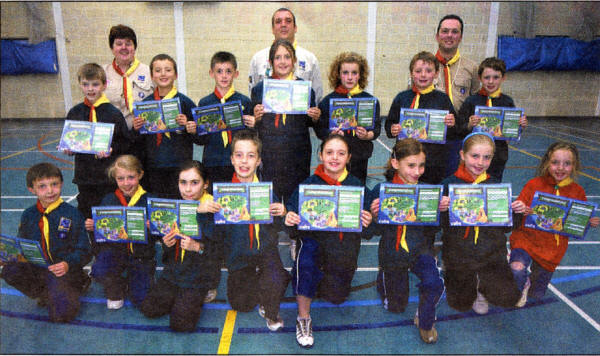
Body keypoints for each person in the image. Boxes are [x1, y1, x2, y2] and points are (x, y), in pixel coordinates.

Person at [285, 134, 373, 348]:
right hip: (314, 244)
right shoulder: (308, 185)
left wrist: (369, 221)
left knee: (336, 297)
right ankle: (303, 318)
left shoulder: (357, 187)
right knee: (306, 263)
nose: (335, 158)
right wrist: (289, 218)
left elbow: (370, 232)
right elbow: (290, 219)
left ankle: (317, 276)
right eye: (329, 152)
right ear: (320, 155)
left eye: (341, 153)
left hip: (342, 250)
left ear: (349, 157)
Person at [366, 138, 447, 344]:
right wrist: (375, 216)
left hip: (420, 249)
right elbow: (372, 231)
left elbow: (435, 228)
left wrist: (439, 212)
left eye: (421, 165)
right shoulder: (381, 191)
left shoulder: (428, 192)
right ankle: (383, 277)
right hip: (392, 253)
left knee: (434, 283)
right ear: (395, 164)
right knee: (395, 307)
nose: (417, 171)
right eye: (411, 165)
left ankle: (426, 320)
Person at [439, 132, 526, 314]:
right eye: (475, 156)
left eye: (486, 158)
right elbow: (440, 225)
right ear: (462, 155)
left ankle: (501, 281)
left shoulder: (495, 186)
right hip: (459, 252)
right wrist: (441, 210)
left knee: (508, 299)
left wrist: (516, 212)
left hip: (490, 253)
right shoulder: (448, 184)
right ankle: (466, 279)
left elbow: (506, 227)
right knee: (459, 304)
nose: (480, 163)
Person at [213, 129, 291, 331]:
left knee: (275, 278)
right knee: (241, 304)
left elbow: (280, 226)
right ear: (231, 159)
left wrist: (282, 213)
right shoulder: (222, 194)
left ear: (258, 161)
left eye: (250, 156)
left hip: (265, 251)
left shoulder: (266, 190)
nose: (244, 162)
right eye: (239, 155)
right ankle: (264, 280)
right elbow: (214, 235)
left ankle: (273, 288)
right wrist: (207, 211)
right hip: (239, 256)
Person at [509, 142, 599, 306]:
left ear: (574, 166)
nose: (560, 168)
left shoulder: (578, 191)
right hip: (526, 239)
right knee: (516, 268)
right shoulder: (533, 185)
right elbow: (516, 214)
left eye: (567, 163)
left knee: (537, 294)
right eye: (555, 162)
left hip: (552, 248)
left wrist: (588, 222)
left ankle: (531, 283)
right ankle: (519, 284)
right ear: (546, 163)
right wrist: (519, 208)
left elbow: (577, 223)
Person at [1, 163, 92, 323]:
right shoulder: (28, 215)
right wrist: (10, 256)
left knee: (62, 317)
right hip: (38, 268)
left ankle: (79, 283)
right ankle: (46, 292)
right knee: (9, 270)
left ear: (61, 184)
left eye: (54, 184)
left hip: (64, 270)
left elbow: (85, 251)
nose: (50, 191)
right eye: (42, 186)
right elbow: (22, 245)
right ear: (32, 189)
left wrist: (67, 264)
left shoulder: (72, 214)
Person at [140, 160, 222, 332]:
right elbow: (169, 253)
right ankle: (181, 299)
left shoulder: (215, 209)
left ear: (205, 184)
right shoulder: (176, 206)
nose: (188, 189)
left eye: (194, 183)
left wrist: (198, 247)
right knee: (149, 309)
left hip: (199, 276)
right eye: (183, 182)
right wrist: (166, 243)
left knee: (181, 325)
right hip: (175, 272)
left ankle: (197, 295)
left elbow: (221, 253)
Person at [62, 63, 131, 239]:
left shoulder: (113, 113)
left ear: (104, 85)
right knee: (88, 218)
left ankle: (111, 249)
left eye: (95, 84)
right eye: (86, 84)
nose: (90, 89)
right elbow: (72, 140)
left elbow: (126, 144)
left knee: (109, 216)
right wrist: (69, 149)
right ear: (79, 84)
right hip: (85, 177)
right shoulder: (75, 112)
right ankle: (95, 250)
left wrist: (111, 150)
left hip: (107, 177)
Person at [251, 39, 321, 204]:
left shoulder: (305, 88)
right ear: (270, 62)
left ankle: (293, 229)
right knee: (271, 198)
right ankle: (271, 229)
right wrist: (256, 117)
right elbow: (253, 124)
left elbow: (309, 123)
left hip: (297, 153)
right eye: (278, 57)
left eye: (287, 57)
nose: (283, 62)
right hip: (270, 152)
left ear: (294, 61)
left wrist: (315, 117)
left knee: (295, 198)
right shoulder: (259, 89)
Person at [85, 155, 156, 310]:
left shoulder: (150, 200)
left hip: (141, 256)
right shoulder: (109, 200)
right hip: (115, 253)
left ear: (140, 175)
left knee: (141, 300)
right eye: (120, 178)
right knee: (99, 270)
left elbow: (160, 236)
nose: (126, 183)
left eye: (131, 177)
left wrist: (154, 228)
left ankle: (135, 279)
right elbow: (102, 237)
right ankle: (116, 286)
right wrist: (94, 227)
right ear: (115, 179)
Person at [132, 54, 200, 199]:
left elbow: (199, 137)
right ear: (151, 76)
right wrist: (136, 128)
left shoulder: (185, 102)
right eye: (158, 70)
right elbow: (138, 140)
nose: (163, 74)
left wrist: (189, 127)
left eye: (168, 70)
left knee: (181, 204)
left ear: (175, 75)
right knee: (159, 205)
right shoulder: (144, 105)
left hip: (180, 165)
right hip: (154, 165)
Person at [386, 51, 457, 185]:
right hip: (405, 161)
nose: (423, 75)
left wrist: (452, 123)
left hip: (433, 163)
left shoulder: (443, 99)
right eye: (418, 71)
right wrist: (393, 129)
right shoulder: (402, 97)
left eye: (428, 71)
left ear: (436, 73)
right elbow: (389, 124)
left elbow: (454, 133)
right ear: (411, 73)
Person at [316, 51, 381, 185]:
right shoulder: (327, 101)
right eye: (345, 73)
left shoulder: (370, 100)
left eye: (354, 73)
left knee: (357, 189)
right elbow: (319, 129)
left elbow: (377, 128)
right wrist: (330, 134)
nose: (350, 77)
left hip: (359, 156)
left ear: (360, 75)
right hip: (335, 158)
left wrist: (367, 135)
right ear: (338, 75)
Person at [458, 57, 528, 181]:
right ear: (480, 78)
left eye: (496, 77)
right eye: (486, 77)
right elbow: (459, 128)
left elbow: (511, 132)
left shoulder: (507, 101)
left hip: (498, 156)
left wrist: (520, 126)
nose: (491, 81)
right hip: (474, 158)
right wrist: (469, 124)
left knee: (493, 185)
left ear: (503, 78)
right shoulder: (471, 101)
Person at [196, 51, 255, 184]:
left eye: (228, 71)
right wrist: (195, 130)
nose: (224, 76)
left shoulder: (244, 101)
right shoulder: (205, 103)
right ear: (211, 73)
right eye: (219, 71)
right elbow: (201, 140)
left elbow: (251, 136)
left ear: (236, 73)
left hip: (238, 162)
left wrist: (254, 124)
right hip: (212, 161)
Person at [433, 14, 480, 177]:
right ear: (437, 36)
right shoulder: (425, 66)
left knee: (455, 181)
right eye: (445, 31)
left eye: (454, 32)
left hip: (459, 136)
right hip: (431, 136)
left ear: (460, 37)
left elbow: (476, 100)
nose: (449, 36)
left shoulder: (472, 68)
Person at [249, 7, 323, 104]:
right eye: (278, 21)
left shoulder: (310, 59)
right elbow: (253, 95)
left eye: (288, 21)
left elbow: (316, 97)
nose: (283, 25)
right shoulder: (258, 59)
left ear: (295, 28)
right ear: (272, 29)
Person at [104, 24, 154, 130]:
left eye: (128, 44)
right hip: (114, 134)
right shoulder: (102, 73)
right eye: (119, 44)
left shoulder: (150, 72)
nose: (124, 47)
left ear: (134, 47)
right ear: (112, 48)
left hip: (142, 135)